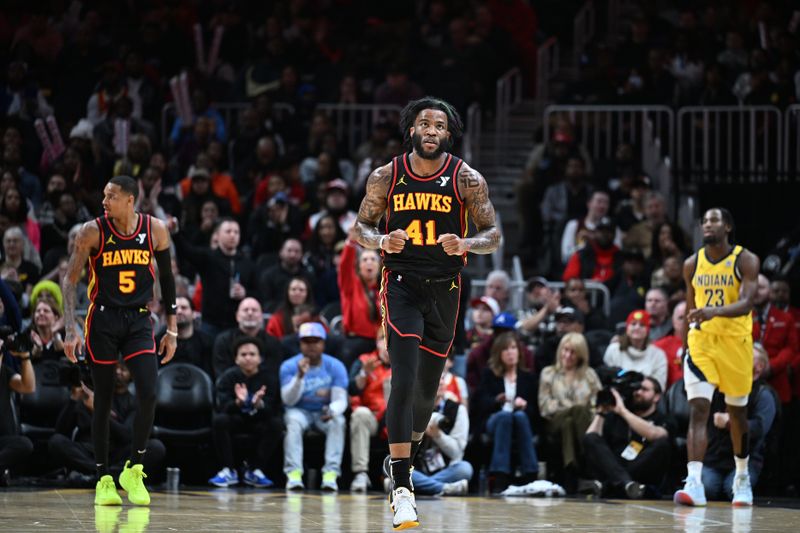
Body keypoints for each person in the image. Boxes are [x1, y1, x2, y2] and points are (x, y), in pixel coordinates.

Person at [353, 96, 500, 530]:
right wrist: (380, 241)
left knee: (425, 394)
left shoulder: (467, 179)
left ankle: (401, 459)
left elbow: (492, 233)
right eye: (424, 123)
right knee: (402, 376)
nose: (431, 130)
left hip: (447, 288)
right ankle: (402, 488)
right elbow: (359, 226)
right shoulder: (387, 175)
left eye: (439, 125)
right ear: (412, 131)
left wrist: (467, 244)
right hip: (400, 284)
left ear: (448, 135)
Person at [61, 175, 178, 506]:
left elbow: (168, 281)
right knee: (104, 396)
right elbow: (69, 281)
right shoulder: (92, 231)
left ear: (130, 199)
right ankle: (103, 479)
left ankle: (134, 469)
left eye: (111, 195)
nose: (104, 200)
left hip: (139, 318)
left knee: (149, 391)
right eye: (104, 194)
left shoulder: (154, 229)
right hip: (102, 318)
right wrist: (70, 327)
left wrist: (172, 329)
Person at [674, 208, 760, 507]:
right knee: (699, 409)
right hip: (702, 343)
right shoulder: (691, 264)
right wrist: (684, 345)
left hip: (736, 343)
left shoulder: (745, 260)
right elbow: (689, 309)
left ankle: (741, 477)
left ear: (727, 227)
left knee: (737, 415)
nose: (707, 225)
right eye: (704, 221)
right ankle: (694, 482)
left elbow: (747, 303)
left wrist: (713, 312)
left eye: (714, 220)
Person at [48, 362, 166, 484]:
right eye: (115, 368)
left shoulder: (135, 403)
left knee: (155, 447)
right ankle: (106, 475)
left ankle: (99, 476)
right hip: (87, 453)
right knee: (55, 442)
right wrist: (73, 399)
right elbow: (61, 432)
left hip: (116, 454)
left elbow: (127, 436)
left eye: (123, 369)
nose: (118, 372)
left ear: (132, 375)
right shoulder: (88, 395)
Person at [701, 345, 777, 501]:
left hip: (747, 459)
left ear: (758, 368)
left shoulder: (764, 394)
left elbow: (759, 429)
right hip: (714, 459)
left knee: (732, 489)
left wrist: (731, 423)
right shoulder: (719, 388)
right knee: (706, 487)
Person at [280, 322, 348, 491]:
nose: (311, 345)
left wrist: (332, 410)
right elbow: (288, 400)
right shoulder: (289, 366)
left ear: (323, 343)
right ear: (300, 344)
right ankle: (294, 474)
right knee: (293, 422)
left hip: (324, 411)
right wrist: (299, 377)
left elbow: (341, 399)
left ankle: (330, 474)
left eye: (315, 341)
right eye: (306, 341)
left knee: (338, 422)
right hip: (298, 410)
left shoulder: (335, 366)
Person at [209, 337, 283, 488]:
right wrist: (238, 402)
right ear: (236, 359)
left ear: (260, 358)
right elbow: (222, 407)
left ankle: (255, 470)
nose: (248, 358)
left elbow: (273, 408)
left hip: (259, 420)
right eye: (243, 354)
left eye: (252, 354)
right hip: (236, 420)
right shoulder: (228, 377)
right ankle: (228, 470)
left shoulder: (269, 378)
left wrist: (259, 404)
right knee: (219, 421)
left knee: (276, 424)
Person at [582, 376, 672, 498]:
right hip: (615, 465)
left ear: (657, 396)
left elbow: (653, 434)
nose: (638, 392)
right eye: (636, 389)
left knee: (662, 444)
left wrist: (623, 411)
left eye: (644, 389)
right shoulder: (616, 416)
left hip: (640, 470)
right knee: (591, 438)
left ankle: (614, 485)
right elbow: (589, 439)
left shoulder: (664, 418)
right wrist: (601, 412)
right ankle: (627, 484)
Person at [475, 332, 539, 493]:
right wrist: (497, 400)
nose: (510, 352)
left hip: (520, 421)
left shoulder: (528, 377)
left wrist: (524, 406)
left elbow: (536, 412)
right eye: (505, 350)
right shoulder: (489, 375)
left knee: (519, 416)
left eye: (513, 348)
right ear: (499, 354)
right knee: (505, 417)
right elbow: (479, 404)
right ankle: (500, 475)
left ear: (519, 351)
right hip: (495, 420)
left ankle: (531, 474)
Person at [410, 368, 473, 496]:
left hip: (446, 469)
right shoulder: (411, 407)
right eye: (436, 378)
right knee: (390, 463)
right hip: (416, 468)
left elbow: (456, 452)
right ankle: (444, 488)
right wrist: (418, 433)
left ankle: (416, 486)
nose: (442, 382)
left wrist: (438, 435)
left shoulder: (458, 409)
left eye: (443, 378)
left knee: (465, 468)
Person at [348, 326, 392, 492]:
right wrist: (364, 375)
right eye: (383, 340)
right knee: (360, 414)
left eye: (391, 341)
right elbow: (352, 389)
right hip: (374, 419)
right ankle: (360, 474)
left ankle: (400, 473)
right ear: (377, 342)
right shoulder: (365, 361)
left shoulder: (406, 364)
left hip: (398, 420)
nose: (387, 345)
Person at [603, 310, 668, 391]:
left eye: (642, 325)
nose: (637, 327)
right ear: (627, 328)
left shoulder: (658, 355)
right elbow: (605, 378)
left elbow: (659, 386)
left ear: (647, 330)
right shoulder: (613, 350)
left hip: (645, 398)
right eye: (633, 324)